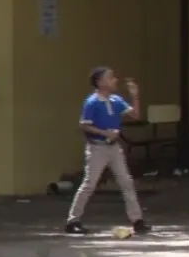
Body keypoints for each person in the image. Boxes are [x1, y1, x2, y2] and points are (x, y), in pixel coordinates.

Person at [65, 67, 151, 235]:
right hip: (97, 148)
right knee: (90, 184)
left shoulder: (116, 100)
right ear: (100, 82)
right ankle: (73, 220)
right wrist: (106, 133)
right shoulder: (92, 102)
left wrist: (135, 95)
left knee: (126, 181)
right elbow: (84, 124)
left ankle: (137, 220)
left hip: (113, 148)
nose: (115, 80)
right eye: (110, 78)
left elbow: (135, 115)